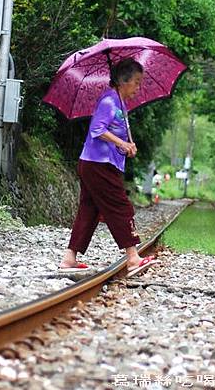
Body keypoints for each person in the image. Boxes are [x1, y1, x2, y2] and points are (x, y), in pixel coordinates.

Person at [59, 58, 157, 277]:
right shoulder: (109, 101)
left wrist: (126, 146)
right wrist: (122, 143)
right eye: (136, 82)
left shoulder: (120, 104)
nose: (138, 87)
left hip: (99, 163)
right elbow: (97, 130)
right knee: (120, 206)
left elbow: (113, 134)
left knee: (89, 210)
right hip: (98, 165)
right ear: (123, 81)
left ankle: (69, 259)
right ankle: (133, 258)